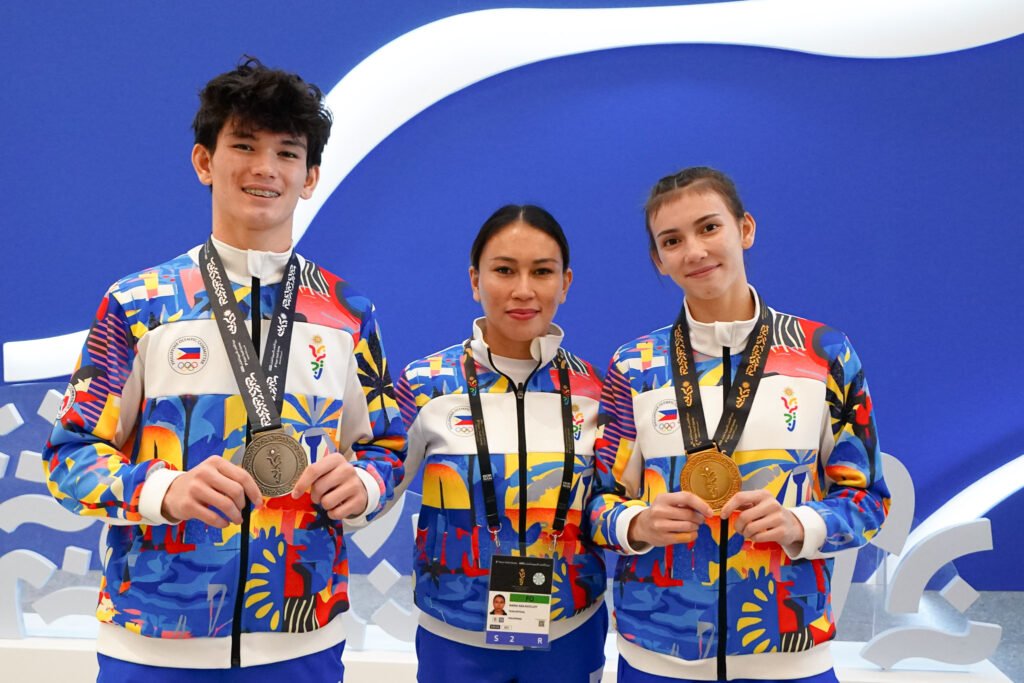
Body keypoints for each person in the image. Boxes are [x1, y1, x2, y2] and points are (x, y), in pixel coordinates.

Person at [42, 57, 406, 682]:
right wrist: (165, 491)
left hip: (302, 639)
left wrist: (366, 485)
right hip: (153, 639)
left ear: (310, 176)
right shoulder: (139, 304)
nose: (265, 168)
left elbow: (388, 448)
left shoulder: (348, 315)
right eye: (244, 145)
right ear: (205, 162)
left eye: (287, 153)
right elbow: (69, 456)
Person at [586, 167, 890, 682]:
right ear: (659, 260)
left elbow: (868, 499)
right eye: (672, 240)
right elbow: (598, 502)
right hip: (658, 654)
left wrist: (802, 524)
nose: (695, 251)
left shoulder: (824, 355)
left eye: (709, 228)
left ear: (745, 229)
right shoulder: (634, 366)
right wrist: (637, 524)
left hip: (790, 652)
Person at [394, 205, 608, 682]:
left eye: (542, 272)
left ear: (566, 283)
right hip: (454, 636)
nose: (523, 290)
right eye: (505, 270)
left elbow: (614, 504)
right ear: (475, 280)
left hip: (571, 632)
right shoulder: (425, 384)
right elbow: (373, 488)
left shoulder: (597, 390)